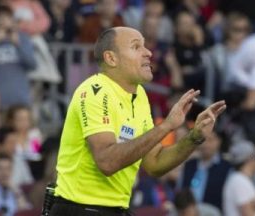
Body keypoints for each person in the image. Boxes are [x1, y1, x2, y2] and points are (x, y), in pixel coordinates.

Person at [51, 27, 226, 216]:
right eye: (136, 47)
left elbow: (155, 163)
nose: (148, 52)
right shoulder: (95, 91)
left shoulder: (140, 94)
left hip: (115, 209)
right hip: (79, 209)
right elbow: (106, 162)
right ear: (111, 58)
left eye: (145, 46)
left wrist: (194, 137)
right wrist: (167, 126)